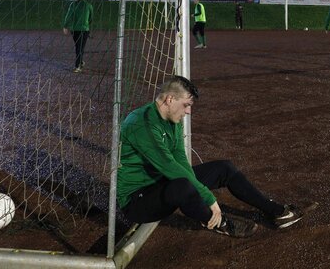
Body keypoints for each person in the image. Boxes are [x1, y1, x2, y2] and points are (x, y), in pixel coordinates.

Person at [117, 76, 304, 238]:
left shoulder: (173, 119)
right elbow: (171, 168)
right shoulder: (142, 124)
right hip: (138, 200)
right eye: (186, 105)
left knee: (224, 168)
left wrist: (200, 191)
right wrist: (208, 198)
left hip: (163, 182)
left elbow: (181, 160)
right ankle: (219, 223)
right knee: (182, 186)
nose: (188, 111)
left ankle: (275, 211)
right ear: (170, 99)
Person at [63, 0, 93, 73]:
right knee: (80, 47)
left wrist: (65, 26)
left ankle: (78, 66)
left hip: (75, 30)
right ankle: (80, 62)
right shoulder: (89, 5)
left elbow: (68, 16)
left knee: (78, 47)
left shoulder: (73, 4)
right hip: (84, 30)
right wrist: (87, 24)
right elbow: (91, 18)